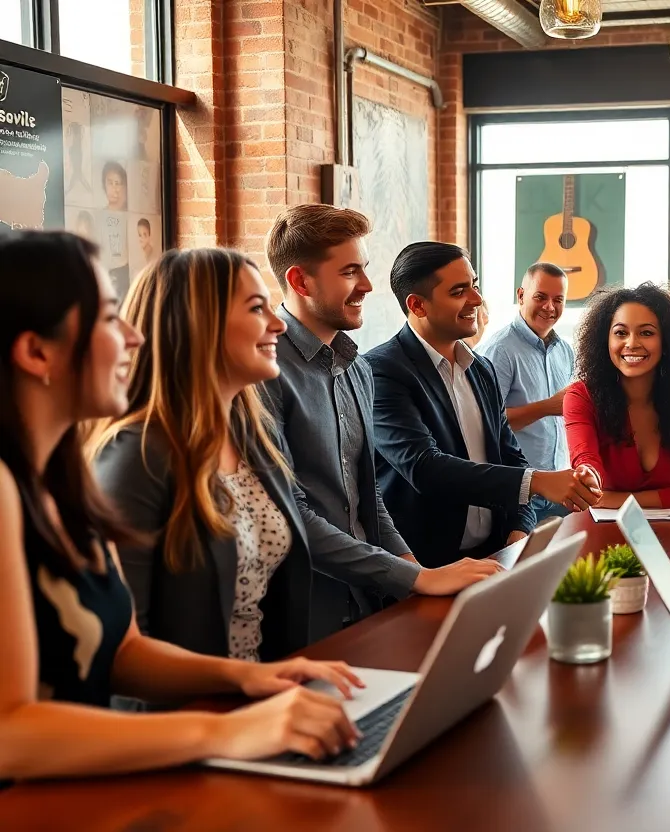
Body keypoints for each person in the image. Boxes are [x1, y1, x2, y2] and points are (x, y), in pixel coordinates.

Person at [0, 230, 360, 781]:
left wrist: (245, 679)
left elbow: (122, 652)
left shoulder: (62, 475)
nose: (134, 338)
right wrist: (226, 731)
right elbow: (10, 733)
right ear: (35, 351)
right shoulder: (14, 485)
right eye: (107, 318)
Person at [262, 206, 500, 641]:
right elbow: (289, 513)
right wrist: (414, 579)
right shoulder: (263, 369)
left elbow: (366, 493)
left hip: (371, 603)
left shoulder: (358, 369)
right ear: (300, 281)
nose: (368, 286)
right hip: (303, 616)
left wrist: (415, 574)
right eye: (351, 272)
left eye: (365, 269)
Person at [91, 248, 312, 663]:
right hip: (187, 717)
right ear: (196, 324)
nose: (279, 324)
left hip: (261, 698)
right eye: (256, 308)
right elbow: (122, 655)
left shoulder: (254, 436)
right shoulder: (135, 458)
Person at [367, 242, 601, 567]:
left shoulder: (481, 368)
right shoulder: (382, 371)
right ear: (417, 305)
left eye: (474, 285)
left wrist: (518, 530)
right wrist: (539, 482)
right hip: (423, 567)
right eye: (459, 291)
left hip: (494, 556)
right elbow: (424, 467)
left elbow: (511, 457)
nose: (476, 300)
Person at [565, 283, 670, 509]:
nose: (632, 343)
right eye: (621, 333)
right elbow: (586, 465)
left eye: (646, 333)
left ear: (666, 342)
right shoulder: (581, 396)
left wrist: (614, 500)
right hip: (602, 534)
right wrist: (587, 478)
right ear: (606, 341)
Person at [478, 262, 576, 523]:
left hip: (561, 488)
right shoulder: (499, 350)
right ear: (521, 296)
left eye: (558, 299)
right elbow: (487, 425)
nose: (550, 307)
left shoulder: (564, 351)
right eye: (541, 297)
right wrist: (548, 406)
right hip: (521, 493)